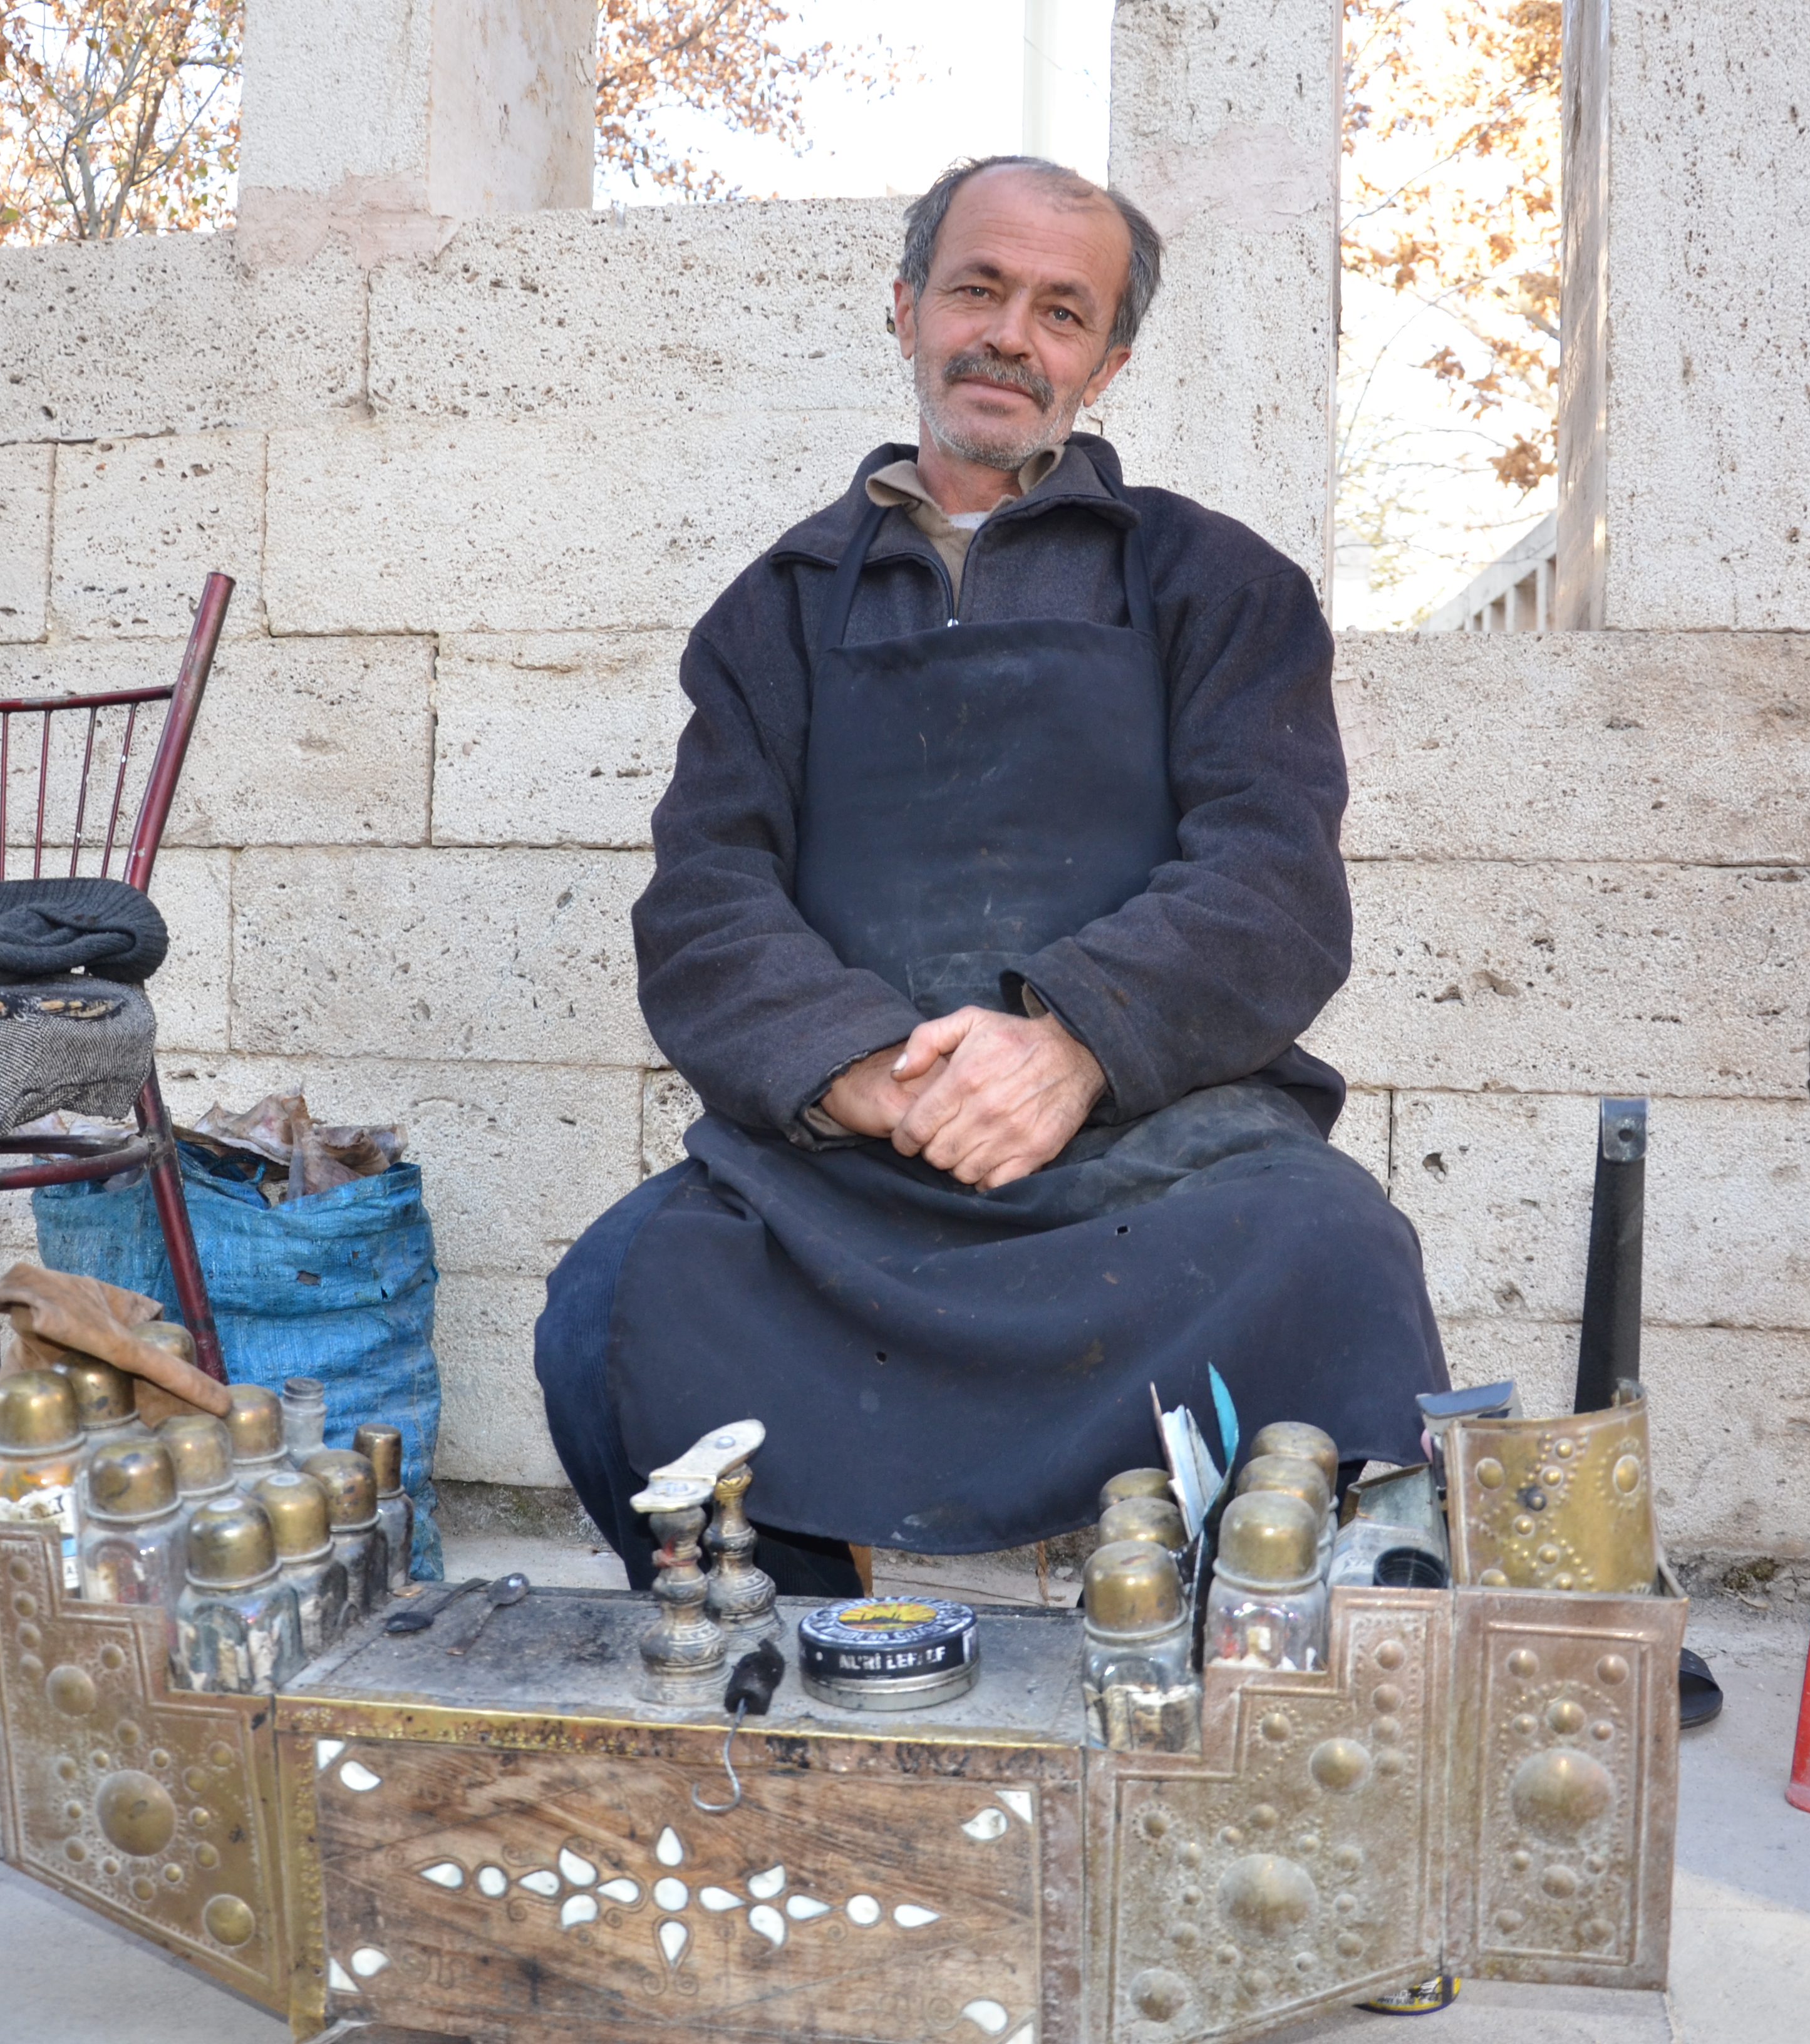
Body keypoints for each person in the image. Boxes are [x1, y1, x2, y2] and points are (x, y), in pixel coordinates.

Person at [534, 155, 1447, 1594]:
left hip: (1160, 1140)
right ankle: (803, 1662)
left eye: (1061, 311)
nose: (1011, 336)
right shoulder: (773, 612)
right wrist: (869, 1073)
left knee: (1339, 1253)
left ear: (1109, 357)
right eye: (977, 289)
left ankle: (1245, 1672)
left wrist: (1073, 1044)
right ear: (906, 310)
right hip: (846, 1161)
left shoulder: (1218, 586)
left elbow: (1272, 880)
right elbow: (704, 901)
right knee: (611, 1307)